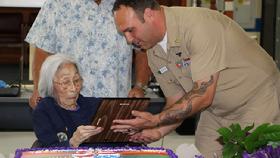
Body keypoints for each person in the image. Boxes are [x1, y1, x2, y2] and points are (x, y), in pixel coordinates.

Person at [110, 0, 280, 157]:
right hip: (216, 110)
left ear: (149, 14)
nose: (128, 40)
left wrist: (155, 120)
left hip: (256, 100)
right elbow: (176, 101)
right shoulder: (153, 51)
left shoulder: (199, 26)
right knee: (204, 153)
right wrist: (159, 130)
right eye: (123, 33)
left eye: (130, 30)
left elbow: (203, 95)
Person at [25, 0, 151, 109]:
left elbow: (143, 50)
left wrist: (140, 86)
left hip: (115, 105)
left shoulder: (129, 4)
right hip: (66, 104)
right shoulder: (56, 4)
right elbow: (43, 51)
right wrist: (38, 89)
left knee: (113, 137)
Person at [33, 54, 103, 147]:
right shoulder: (44, 110)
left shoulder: (97, 105)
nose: (73, 88)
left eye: (76, 80)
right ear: (50, 84)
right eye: (66, 82)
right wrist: (72, 142)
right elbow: (48, 151)